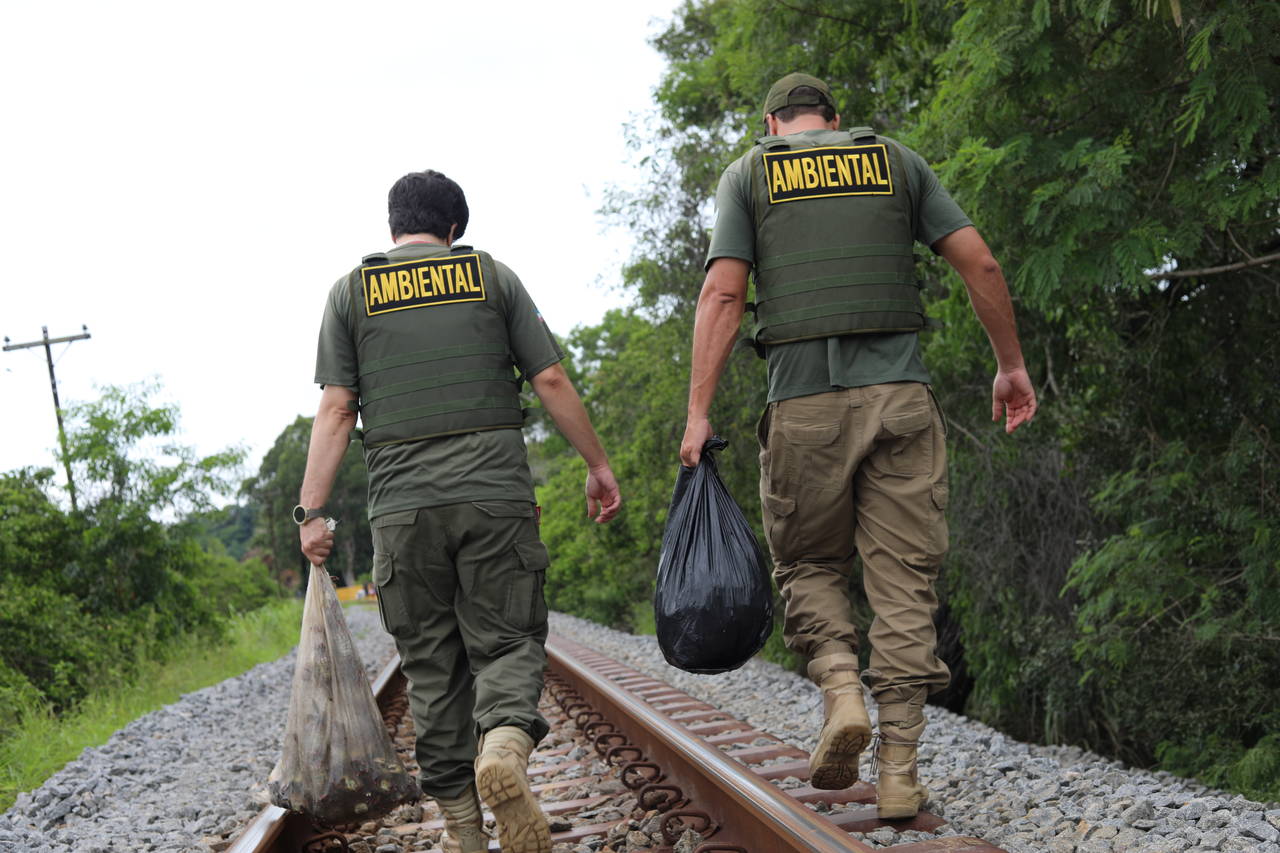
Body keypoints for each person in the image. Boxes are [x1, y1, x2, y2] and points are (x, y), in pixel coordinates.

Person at [679, 73, 1036, 819]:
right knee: (905, 582)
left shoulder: (751, 174)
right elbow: (982, 264)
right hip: (902, 401)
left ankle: (842, 688)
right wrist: (1011, 365)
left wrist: (698, 412)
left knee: (808, 561)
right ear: (836, 121)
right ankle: (899, 769)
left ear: (774, 124)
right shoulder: (895, 161)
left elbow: (723, 295)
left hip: (803, 407)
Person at [297, 169, 621, 853]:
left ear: (393, 228)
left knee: (432, 666)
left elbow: (337, 408)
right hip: (494, 498)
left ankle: (465, 830)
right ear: (453, 231)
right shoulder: (492, 277)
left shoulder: (351, 293)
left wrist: (311, 514)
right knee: (506, 641)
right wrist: (596, 464)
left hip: (404, 513)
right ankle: (503, 743)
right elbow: (551, 378)